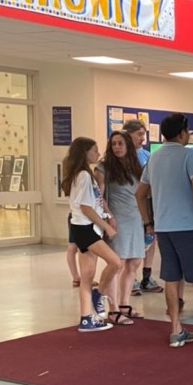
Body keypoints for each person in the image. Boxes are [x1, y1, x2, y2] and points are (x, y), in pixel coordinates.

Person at [136, 113, 193, 349]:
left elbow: (140, 194)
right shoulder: (189, 155)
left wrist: (148, 222)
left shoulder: (153, 158)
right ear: (181, 133)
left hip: (164, 228)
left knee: (171, 278)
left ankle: (176, 330)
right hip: (188, 227)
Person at [62, 137, 122, 332]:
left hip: (85, 227)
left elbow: (95, 202)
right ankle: (98, 295)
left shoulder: (83, 175)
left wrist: (107, 215)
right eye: (95, 150)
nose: (98, 154)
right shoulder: (84, 176)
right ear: (85, 152)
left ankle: (86, 318)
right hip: (86, 228)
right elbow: (86, 207)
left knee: (87, 276)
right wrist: (106, 226)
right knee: (115, 262)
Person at [94, 131, 146, 323]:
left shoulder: (136, 166)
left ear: (128, 146)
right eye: (113, 144)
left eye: (120, 143)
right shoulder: (104, 167)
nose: (116, 147)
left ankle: (124, 303)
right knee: (118, 262)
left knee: (134, 262)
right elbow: (98, 196)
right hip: (117, 219)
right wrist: (109, 216)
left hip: (135, 217)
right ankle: (113, 309)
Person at [121, 119, 164, 295]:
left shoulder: (148, 155)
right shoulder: (122, 157)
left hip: (148, 203)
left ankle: (147, 276)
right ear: (128, 134)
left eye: (143, 134)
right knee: (132, 242)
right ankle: (130, 278)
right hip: (129, 206)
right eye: (139, 134)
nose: (142, 138)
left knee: (150, 238)